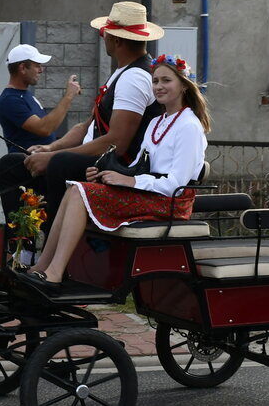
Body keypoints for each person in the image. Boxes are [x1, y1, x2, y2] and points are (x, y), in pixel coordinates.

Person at [26, 54, 209, 288]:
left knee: (80, 193)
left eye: (166, 80)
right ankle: (43, 265)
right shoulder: (157, 122)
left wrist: (130, 182)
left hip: (171, 202)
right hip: (150, 193)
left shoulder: (189, 125)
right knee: (75, 188)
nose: (159, 86)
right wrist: (104, 173)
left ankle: (55, 272)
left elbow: (176, 184)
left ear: (183, 85)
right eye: (155, 81)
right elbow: (138, 167)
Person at [0, 1, 164, 222]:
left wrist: (52, 157)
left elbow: (117, 143)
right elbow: (86, 127)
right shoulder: (124, 73)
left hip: (118, 166)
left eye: (105, 32)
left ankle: (49, 233)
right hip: (100, 158)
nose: (103, 37)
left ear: (116, 40)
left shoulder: (134, 77)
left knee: (59, 164)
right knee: (10, 165)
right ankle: (23, 236)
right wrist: (51, 147)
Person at [0, 43, 81, 155]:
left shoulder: (24, 94)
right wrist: (69, 95)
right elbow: (44, 128)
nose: (41, 70)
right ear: (23, 68)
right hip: (26, 164)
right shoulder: (10, 100)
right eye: (37, 66)